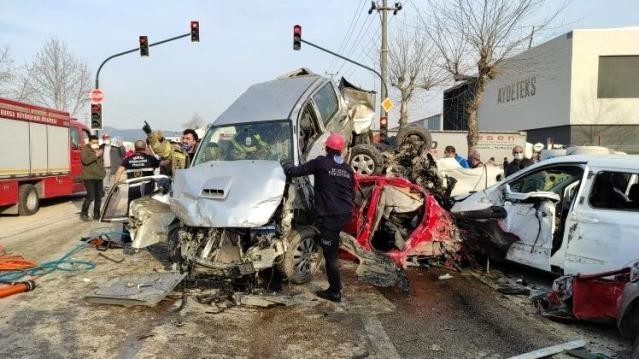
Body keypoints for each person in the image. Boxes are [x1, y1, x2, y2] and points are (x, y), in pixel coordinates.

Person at [282, 133, 355, 303]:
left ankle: (335, 292)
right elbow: (350, 192)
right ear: (341, 150)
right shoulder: (347, 168)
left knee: (331, 256)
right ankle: (327, 242)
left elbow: (295, 171)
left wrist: (286, 164)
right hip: (345, 213)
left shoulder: (321, 162)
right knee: (331, 239)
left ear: (326, 148)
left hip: (331, 216)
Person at [80, 135, 106, 221]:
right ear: (90, 142)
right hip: (89, 177)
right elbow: (85, 161)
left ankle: (97, 214)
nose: (95, 144)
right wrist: (96, 155)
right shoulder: (85, 149)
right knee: (91, 196)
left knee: (99, 197)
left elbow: (101, 162)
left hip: (99, 176)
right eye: (94, 142)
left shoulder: (99, 149)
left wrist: (103, 172)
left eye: (97, 142)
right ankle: (84, 213)